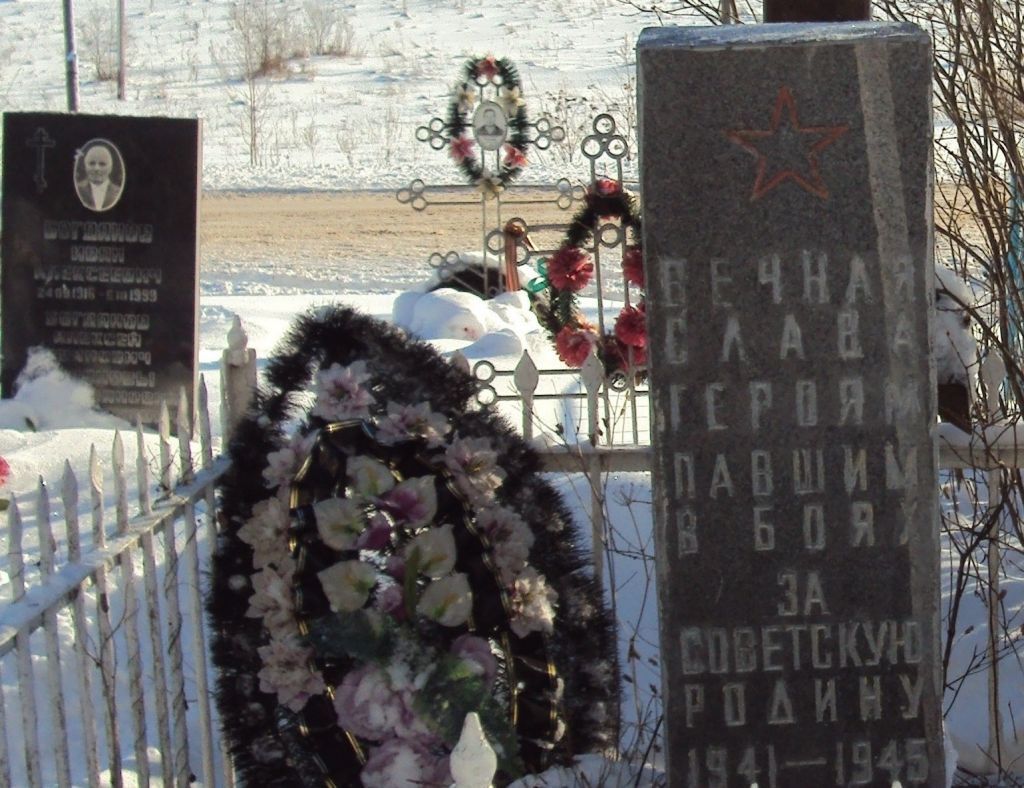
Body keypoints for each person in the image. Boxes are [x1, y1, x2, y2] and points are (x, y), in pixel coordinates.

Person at [75, 143, 123, 211]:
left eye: (102, 164)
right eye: (92, 163)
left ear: (110, 168)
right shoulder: (78, 189)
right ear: (85, 166)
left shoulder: (118, 192)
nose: (96, 169)